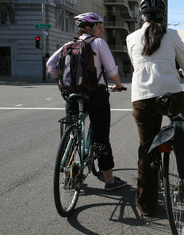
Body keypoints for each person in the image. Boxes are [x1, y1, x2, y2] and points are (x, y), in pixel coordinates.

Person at [127, 0, 184, 216]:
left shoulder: (131, 37)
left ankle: (146, 205)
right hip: (172, 95)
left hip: (142, 98)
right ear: (163, 16)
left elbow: (136, 65)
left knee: (147, 150)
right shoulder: (172, 35)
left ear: (142, 17)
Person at [46, 12, 127, 192]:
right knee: (101, 136)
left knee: (72, 135)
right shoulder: (98, 43)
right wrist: (118, 85)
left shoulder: (68, 45)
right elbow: (112, 70)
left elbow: (50, 66)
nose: (102, 30)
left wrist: (66, 80)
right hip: (96, 95)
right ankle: (109, 180)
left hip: (72, 95)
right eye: (99, 26)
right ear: (89, 28)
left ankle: (69, 177)